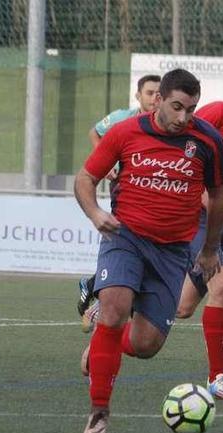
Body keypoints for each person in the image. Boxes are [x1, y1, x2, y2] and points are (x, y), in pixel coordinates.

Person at [78, 58, 223, 401]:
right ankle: (217, 377)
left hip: (221, 221)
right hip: (190, 214)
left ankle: (105, 333)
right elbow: (181, 148)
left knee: (181, 309)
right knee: (222, 287)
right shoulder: (219, 114)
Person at [74, 69, 223, 433]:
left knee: (145, 345)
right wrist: (96, 214)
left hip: (173, 250)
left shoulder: (207, 141)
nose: (183, 117)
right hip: (124, 236)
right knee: (113, 308)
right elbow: (84, 179)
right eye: (177, 107)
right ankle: (99, 411)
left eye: (190, 109)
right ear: (157, 100)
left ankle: (100, 345)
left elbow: (219, 196)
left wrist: (209, 250)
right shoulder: (125, 133)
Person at [76, 74, 161, 321]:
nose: (155, 98)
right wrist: (107, 160)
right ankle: (106, 294)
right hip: (127, 192)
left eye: (159, 93)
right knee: (131, 239)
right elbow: (95, 131)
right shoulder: (123, 118)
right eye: (149, 93)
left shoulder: (165, 125)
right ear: (138, 96)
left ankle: (95, 285)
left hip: (152, 195)